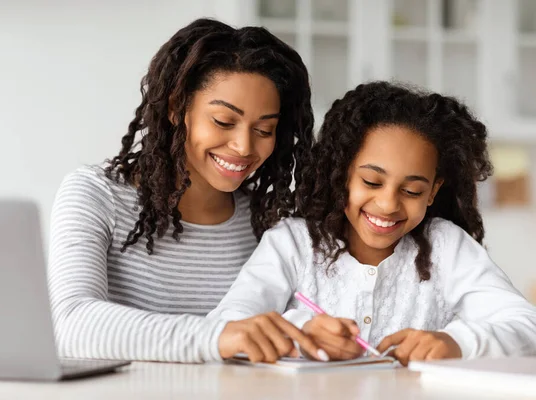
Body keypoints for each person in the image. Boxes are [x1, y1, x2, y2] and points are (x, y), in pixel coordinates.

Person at [47, 18, 322, 363]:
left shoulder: (268, 223)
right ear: (177, 108)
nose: (243, 146)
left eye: (264, 130)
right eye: (223, 121)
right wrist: (218, 337)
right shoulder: (96, 195)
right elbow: (71, 326)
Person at [208, 81, 536, 366]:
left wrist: (457, 343)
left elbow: (526, 327)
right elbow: (225, 326)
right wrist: (300, 332)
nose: (389, 204)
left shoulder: (447, 247)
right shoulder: (292, 244)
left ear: (433, 191)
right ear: (343, 175)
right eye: (371, 182)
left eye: (412, 190)